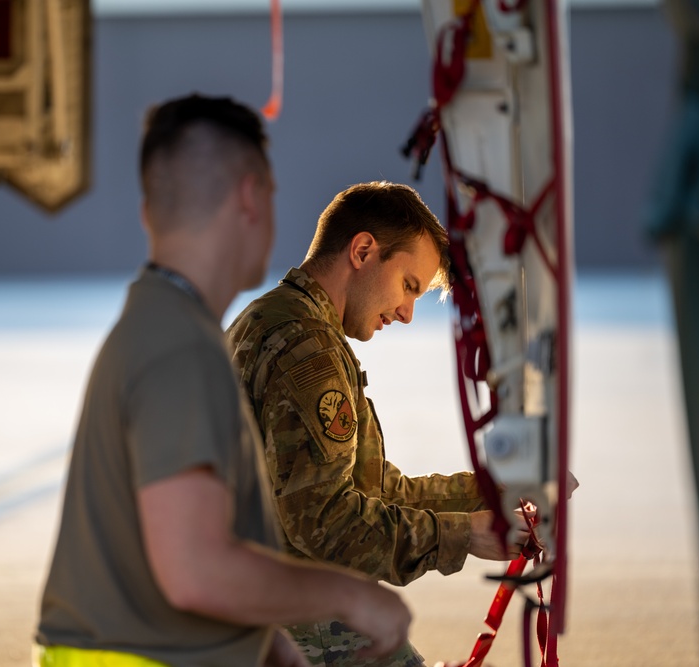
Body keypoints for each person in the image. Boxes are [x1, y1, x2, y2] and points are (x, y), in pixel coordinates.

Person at [33, 96, 414, 667]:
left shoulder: (162, 329)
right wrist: (353, 597)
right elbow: (196, 571)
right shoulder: (179, 350)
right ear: (250, 198)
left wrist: (270, 648)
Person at [226, 181, 531, 667]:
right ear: (363, 251)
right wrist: (463, 535)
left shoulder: (269, 319)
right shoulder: (306, 348)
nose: (408, 314)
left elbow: (369, 488)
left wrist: (490, 495)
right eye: (409, 285)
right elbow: (326, 525)